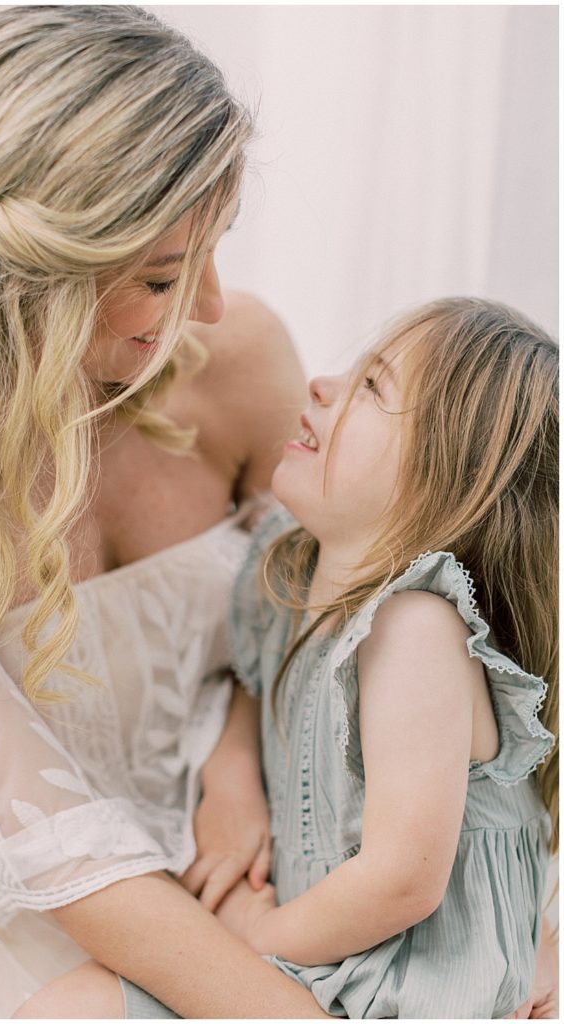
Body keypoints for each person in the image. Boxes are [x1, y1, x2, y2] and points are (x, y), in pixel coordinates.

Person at [0, 6, 327, 1019]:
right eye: (164, 276)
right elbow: (62, 848)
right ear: (33, 277)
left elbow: (312, 616)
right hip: (26, 959)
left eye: (213, 250)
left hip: (252, 886)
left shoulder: (239, 361)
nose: (210, 303)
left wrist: (233, 763)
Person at [212, 296, 558, 1018]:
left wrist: (255, 936)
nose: (321, 385)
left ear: (446, 477)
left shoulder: (414, 632)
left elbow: (404, 879)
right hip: (331, 969)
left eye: (372, 388)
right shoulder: (292, 574)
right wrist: (233, 768)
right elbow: (256, 682)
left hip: (405, 992)